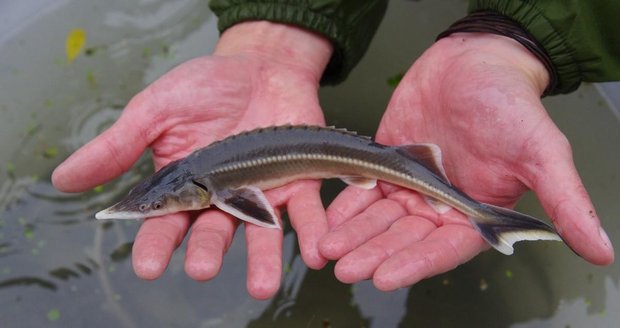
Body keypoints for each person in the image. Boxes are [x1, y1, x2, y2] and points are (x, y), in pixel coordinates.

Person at [52, 0, 618, 299]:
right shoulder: (204, 179)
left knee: (407, 190)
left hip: (385, 162)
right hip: (366, 156)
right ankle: (488, 221)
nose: (148, 206)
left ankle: (490, 221)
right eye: (152, 203)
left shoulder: (220, 188)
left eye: (155, 203)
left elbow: (250, 205)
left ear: (198, 190)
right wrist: (274, 34)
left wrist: (513, 41)